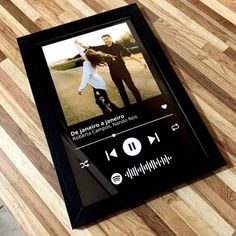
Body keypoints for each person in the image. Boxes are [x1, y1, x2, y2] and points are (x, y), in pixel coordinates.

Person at [81, 34, 147, 106]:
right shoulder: (103, 48)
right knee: (121, 90)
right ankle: (127, 105)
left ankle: (140, 102)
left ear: (110, 38)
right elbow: (90, 47)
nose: (105, 40)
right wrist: (80, 44)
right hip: (113, 72)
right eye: (104, 39)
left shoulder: (118, 46)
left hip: (123, 70)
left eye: (107, 38)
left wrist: (141, 61)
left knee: (131, 86)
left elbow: (129, 54)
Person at [75, 40, 118, 114]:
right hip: (97, 84)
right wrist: (76, 44)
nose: (83, 55)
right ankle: (109, 112)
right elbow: (81, 53)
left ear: (87, 56)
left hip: (98, 85)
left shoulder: (87, 64)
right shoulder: (89, 61)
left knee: (105, 102)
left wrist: (80, 88)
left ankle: (116, 112)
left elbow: (85, 77)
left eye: (85, 54)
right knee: (100, 102)